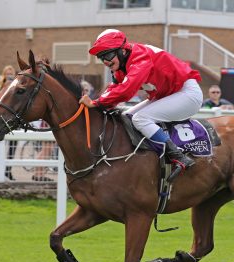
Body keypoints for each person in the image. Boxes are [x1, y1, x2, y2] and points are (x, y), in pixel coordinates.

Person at [79, 28, 203, 181]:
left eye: (108, 55)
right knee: (127, 116)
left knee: (140, 119)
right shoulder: (120, 67)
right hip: (169, 94)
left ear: (122, 51)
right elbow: (114, 89)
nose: (105, 61)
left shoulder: (140, 57)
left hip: (187, 94)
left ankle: (178, 156)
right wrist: (100, 104)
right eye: (101, 57)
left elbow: (126, 91)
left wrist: (96, 103)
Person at [0, 65, 18, 180]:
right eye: (7, 74)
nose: (9, 76)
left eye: (11, 74)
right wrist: (5, 88)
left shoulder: (17, 84)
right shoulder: (0, 84)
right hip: (1, 119)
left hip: (12, 118)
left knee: (12, 147)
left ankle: (8, 170)